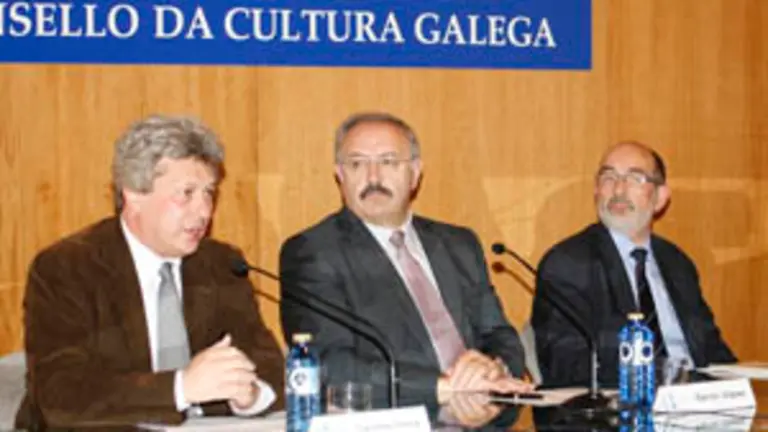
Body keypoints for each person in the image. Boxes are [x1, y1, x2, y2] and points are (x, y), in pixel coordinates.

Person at [17, 115, 284, 429]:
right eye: (186, 193)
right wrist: (180, 388)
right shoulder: (68, 268)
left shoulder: (220, 264)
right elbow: (61, 395)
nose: (203, 211)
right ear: (134, 195)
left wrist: (250, 394)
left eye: (209, 193)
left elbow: (269, 366)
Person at [279, 112, 530, 408]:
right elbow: (332, 363)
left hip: (481, 413)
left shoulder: (459, 244)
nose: (373, 178)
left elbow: (500, 335)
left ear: (415, 172)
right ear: (340, 175)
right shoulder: (312, 252)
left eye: (388, 162)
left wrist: (492, 369)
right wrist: (444, 387)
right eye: (357, 164)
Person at [531, 140, 736, 387]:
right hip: (621, 410)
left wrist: (736, 387)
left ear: (660, 197)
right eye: (609, 177)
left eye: (634, 178)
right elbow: (568, 366)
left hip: (696, 406)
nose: (618, 190)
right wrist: (659, 383)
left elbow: (711, 349)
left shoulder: (677, 263)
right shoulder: (567, 264)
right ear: (597, 191)